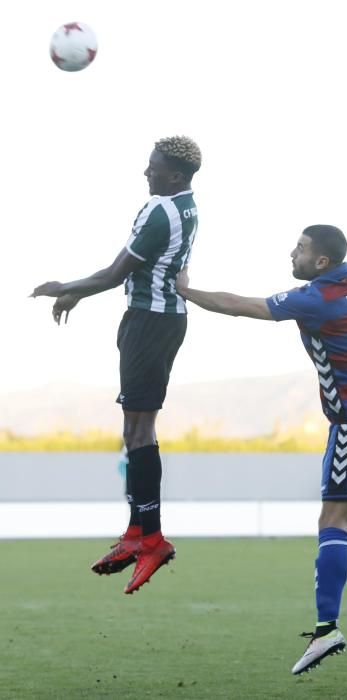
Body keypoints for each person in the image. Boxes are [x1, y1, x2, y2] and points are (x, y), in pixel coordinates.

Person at [175, 224, 347, 673]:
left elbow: (239, 306)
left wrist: (187, 291)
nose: (290, 254)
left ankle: (326, 628)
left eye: (299, 249)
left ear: (321, 262)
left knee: (333, 520)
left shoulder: (314, 299)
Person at [31, 135, 202, 595]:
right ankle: (136, 533)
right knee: (135, 432)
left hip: (150, 322)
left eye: (154, 167)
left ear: (176, 175)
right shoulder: (186, 205)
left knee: (140, 432)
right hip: (160, 321)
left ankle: (152, 539)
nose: (146, 173)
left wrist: (66, 287)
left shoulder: (160, 211)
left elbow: (114, 273)